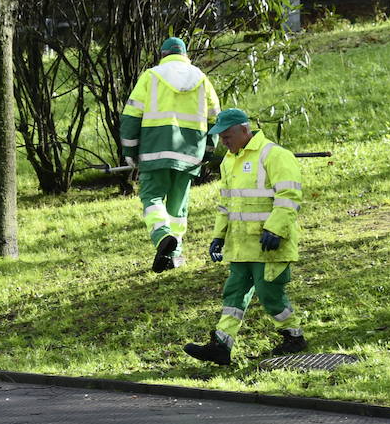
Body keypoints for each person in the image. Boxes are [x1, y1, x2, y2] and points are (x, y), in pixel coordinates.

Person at [184, 108, 308, 366]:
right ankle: (221, 344)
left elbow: (289, 196)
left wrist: (275, 228)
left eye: (227, 136)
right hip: (240, 245)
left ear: (244, 130)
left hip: (271, 243)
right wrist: (219, 236)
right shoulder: (229, 160)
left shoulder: (274, 155)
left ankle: (294, 335)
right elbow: (226, 204)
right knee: (234, 294)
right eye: (221, 138)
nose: (224, 142)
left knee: (268, 293)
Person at [119, 36, 220, 273]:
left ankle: (162, 235)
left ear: (162, 55)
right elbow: (216, 118)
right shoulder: (202, 79)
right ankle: (173, 255)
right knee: (178, 206)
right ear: (186, 55)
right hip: (190, 153)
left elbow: (131, 118)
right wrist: (208, 150)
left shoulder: (151, 76)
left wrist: (130, 152)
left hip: (154, 150)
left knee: (152, 198)